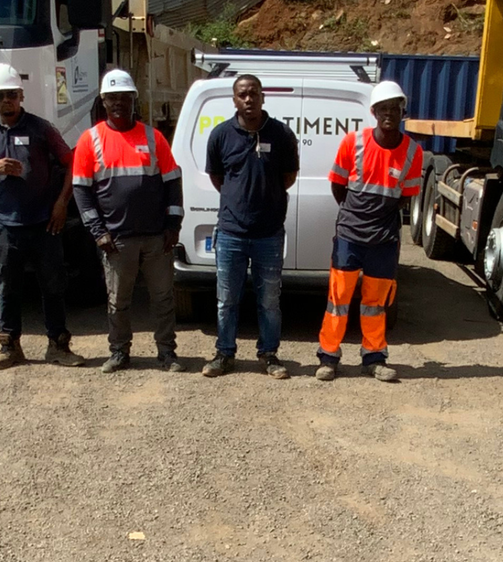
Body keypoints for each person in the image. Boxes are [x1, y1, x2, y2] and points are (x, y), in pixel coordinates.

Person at [0, 63, 85, 370]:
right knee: (7, 286)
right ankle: (10, 348)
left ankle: (58, 346)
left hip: (44, 223)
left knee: (53, 285)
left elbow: (72, 162)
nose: (6, 100)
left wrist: (61, 203)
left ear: (21, 95)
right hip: (4, 226)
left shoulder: (41, 128)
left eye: (11, 94)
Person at [73, 69, 185, 373]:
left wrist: (173, 225)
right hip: (116, 240)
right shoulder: (90, 140)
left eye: (124, 98)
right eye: (112, 99)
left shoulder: (154, 137)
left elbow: (173, 183)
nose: (119, 103)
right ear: (103, 102)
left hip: (155, 237)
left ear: (133, 100)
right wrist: (98, 232)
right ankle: (119, 351)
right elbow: (81, 191)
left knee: (163, 299)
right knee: (118, 301)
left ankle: (167, 353)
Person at [316, 80, 423, 383]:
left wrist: (379, 220)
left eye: (396, 108)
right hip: (350, 236)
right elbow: (338, 186)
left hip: (384, 240)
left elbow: (407, 195)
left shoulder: (414, 151)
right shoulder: (354, 142)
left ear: (403, 111)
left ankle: (374, 359)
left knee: (376, 304)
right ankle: (328, 357)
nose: (390, 114)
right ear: (374, 112)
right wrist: (356, 216)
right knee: (338, 300)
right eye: (384, 108)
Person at [201, 74, 299, 379]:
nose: (248, 99)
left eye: (253, 93)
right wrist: (238, 200)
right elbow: (218, 178)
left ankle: (269, 355)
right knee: (226, 299)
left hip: (269, 233)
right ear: (234, 100)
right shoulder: (220, 135)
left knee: (269, 300)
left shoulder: (282, 135)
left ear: (262, 97)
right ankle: (224, 354)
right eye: (242, 94)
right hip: (231, 232)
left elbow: (288, 177)